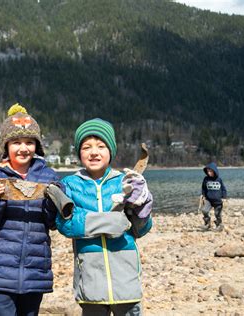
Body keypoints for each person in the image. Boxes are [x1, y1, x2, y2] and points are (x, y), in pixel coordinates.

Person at [51, 118, 153, 316]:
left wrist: (143, 206)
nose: (94, 152)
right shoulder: (70, 185)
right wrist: (111, 221)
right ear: (79, 152)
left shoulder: (124, 181)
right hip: (90, 278)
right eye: (86, 147)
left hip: (126, 275)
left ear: (111, 151)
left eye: (101, 146)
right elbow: (65, 223)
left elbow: (141, 229)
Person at [0, 103, 59, 316]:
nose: (23, 148)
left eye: (29, 142)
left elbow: (52, 222)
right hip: (0, 270)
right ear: (6, 146)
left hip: (35, 270)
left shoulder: (48, 177)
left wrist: (53, 200)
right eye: (16, 142)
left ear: (37, 146)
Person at [201, 162, 227, 231]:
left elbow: (223, 189)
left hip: (218, 201)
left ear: (214, 171)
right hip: (208, 200)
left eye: (210, 171)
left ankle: (219, 225)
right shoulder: (206, 179)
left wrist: (224, 197)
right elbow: (203, 188)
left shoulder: (219, 179)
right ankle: (207, 223)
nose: (209, 173)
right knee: (204, 210)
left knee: (217, 214)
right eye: (208, 171)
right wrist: (203, 196)